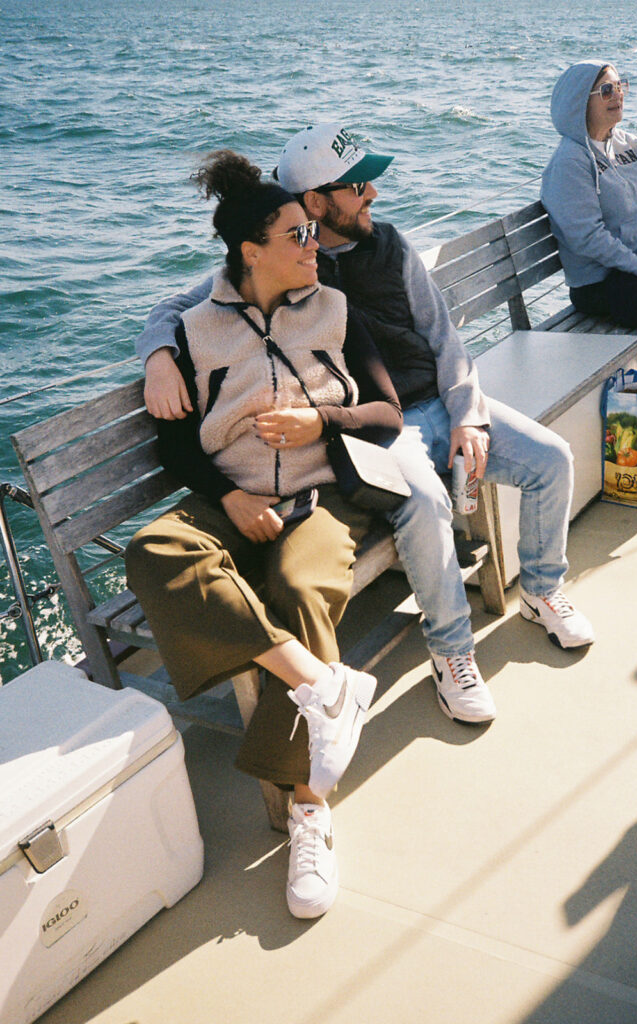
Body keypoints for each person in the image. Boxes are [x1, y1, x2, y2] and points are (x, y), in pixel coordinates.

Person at [137, 125, 595, 731]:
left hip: (437, 405)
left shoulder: (391, 246)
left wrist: (468, 417)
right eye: (357, 186)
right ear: (316, 202)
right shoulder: (291, 265)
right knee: (425, 500)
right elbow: (185, 307)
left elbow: (444, 340)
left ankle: (540, 590)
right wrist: (157, 356)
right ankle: (452, 653)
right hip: (377, 428)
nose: (373, 195)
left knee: (552, 457)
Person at [125, 150, 403, 920]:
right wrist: (228, 496)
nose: (315, 245)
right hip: (231, 499)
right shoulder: (194, 327)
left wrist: (322, 419)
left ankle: (309, 807)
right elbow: (176, 445)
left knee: (297, 586)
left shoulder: (335, 308)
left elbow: (387, 415)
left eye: (312, 232)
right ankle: (323, 686)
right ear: (252, 250)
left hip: (318, 499)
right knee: (153, 551)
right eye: (297, 235)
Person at [541, 60, 637, 375]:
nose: (617, 95)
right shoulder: (570, 162)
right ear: (580, 102)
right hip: (603, 283)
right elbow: (588, 238)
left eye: (620, 85)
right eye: (606, 90)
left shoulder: (630, 144)